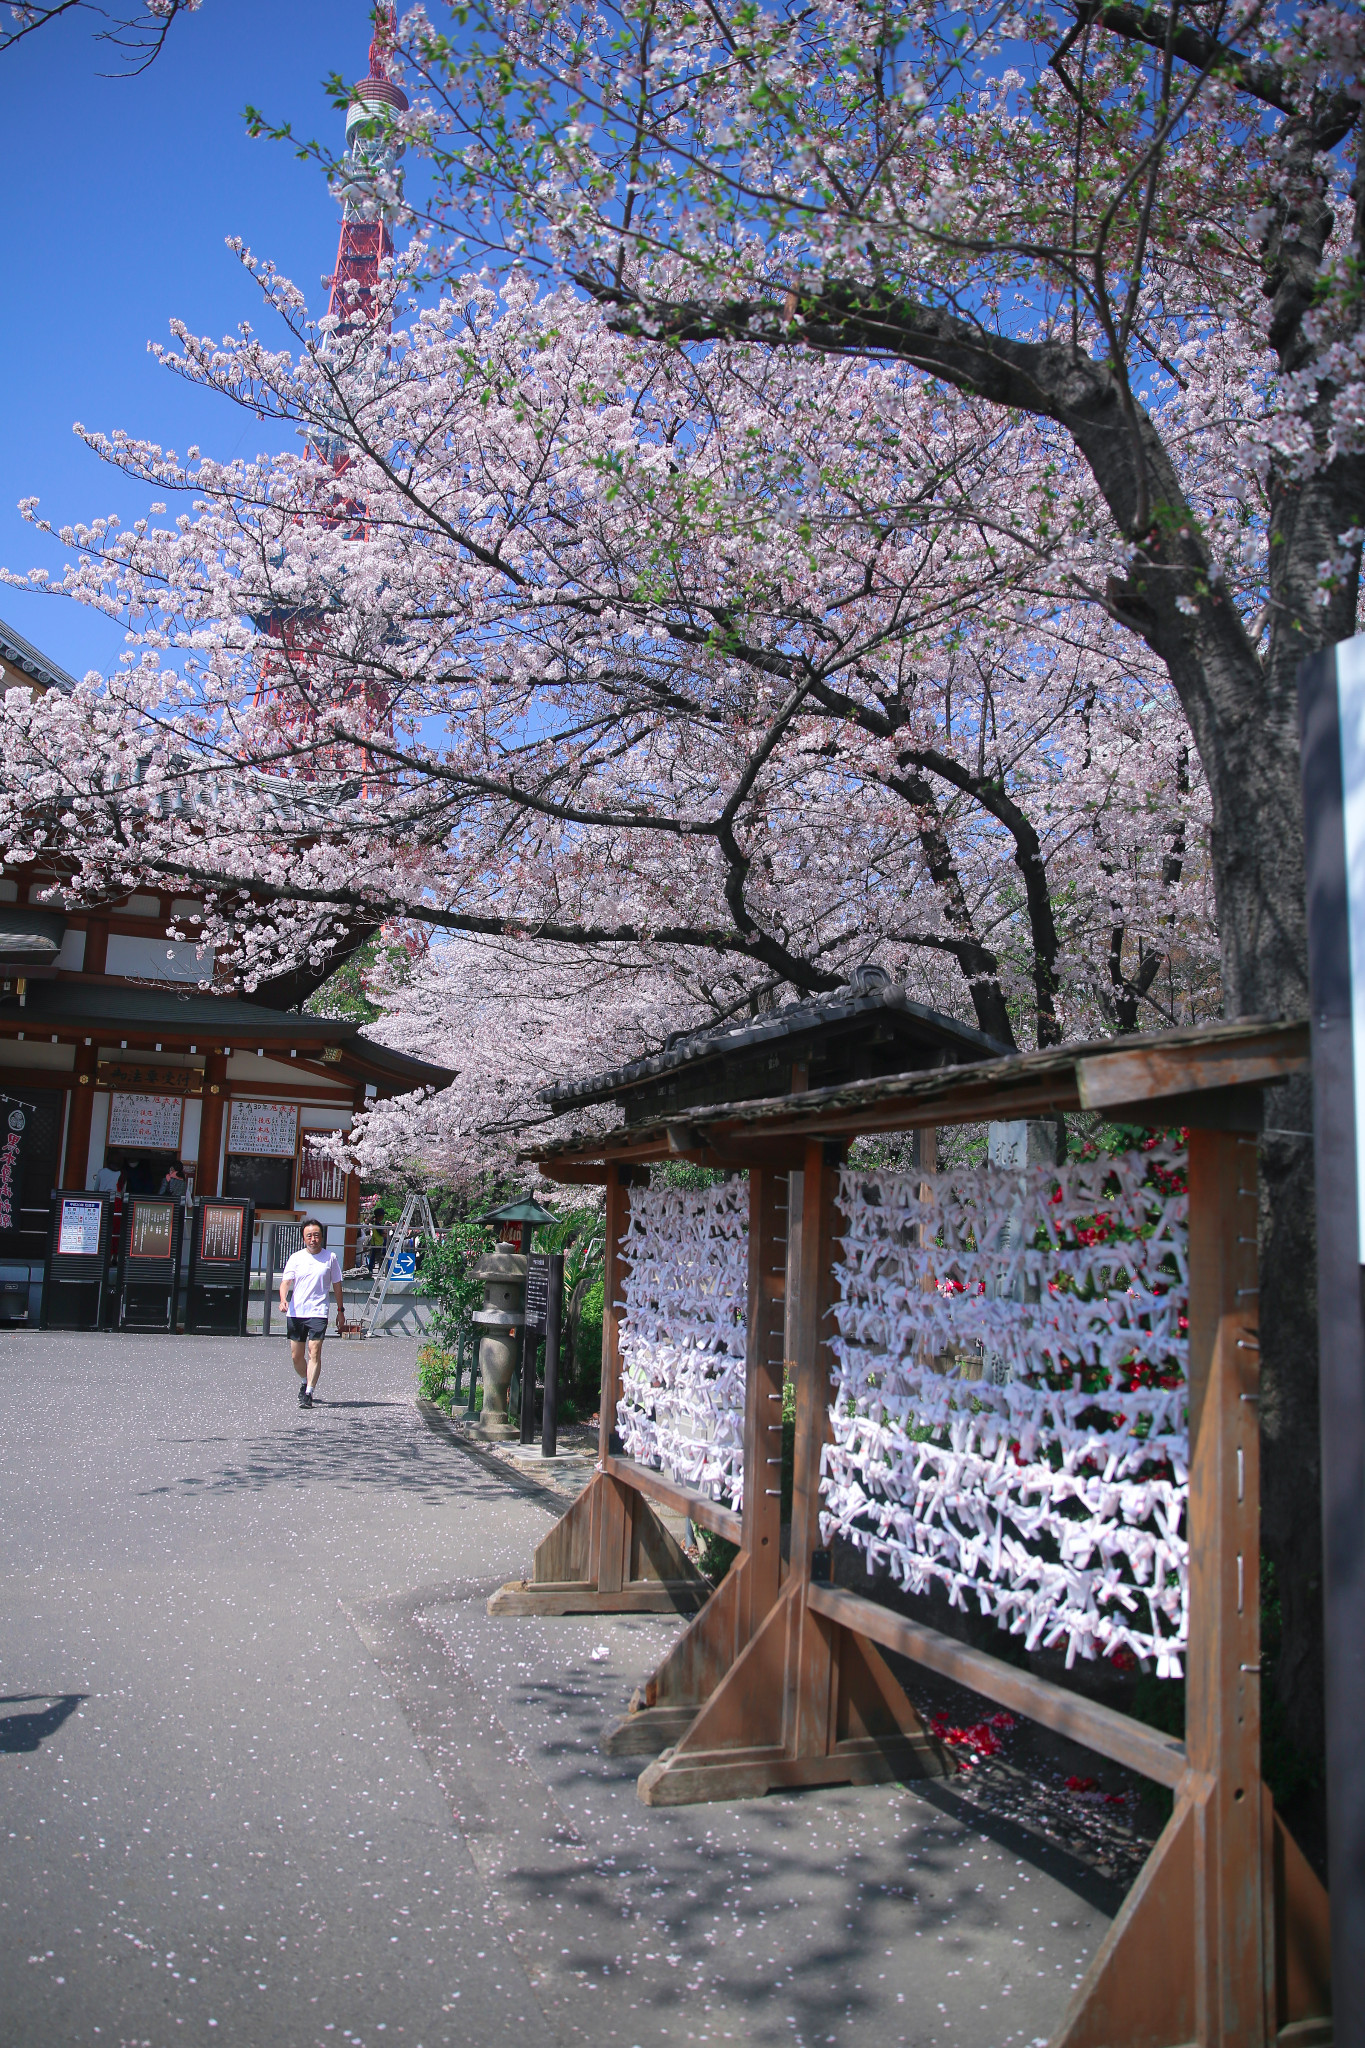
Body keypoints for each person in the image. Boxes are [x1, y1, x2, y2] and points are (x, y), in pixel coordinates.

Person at [279, 1218, 347, 1408]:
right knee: (296, 1356)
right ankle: (304, 1380)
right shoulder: (296, 1258)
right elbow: (285, 1282)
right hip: (296, 1311)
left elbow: (337, 1285)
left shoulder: (330, 1258)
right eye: (309, 1236)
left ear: (322, 1237)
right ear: (303, 1238)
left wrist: (340, 1310)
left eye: (316, 1235)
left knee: (314, 1351)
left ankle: (309, 1392)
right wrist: (283, 1299)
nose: (313, 1239)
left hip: (318, 1311)